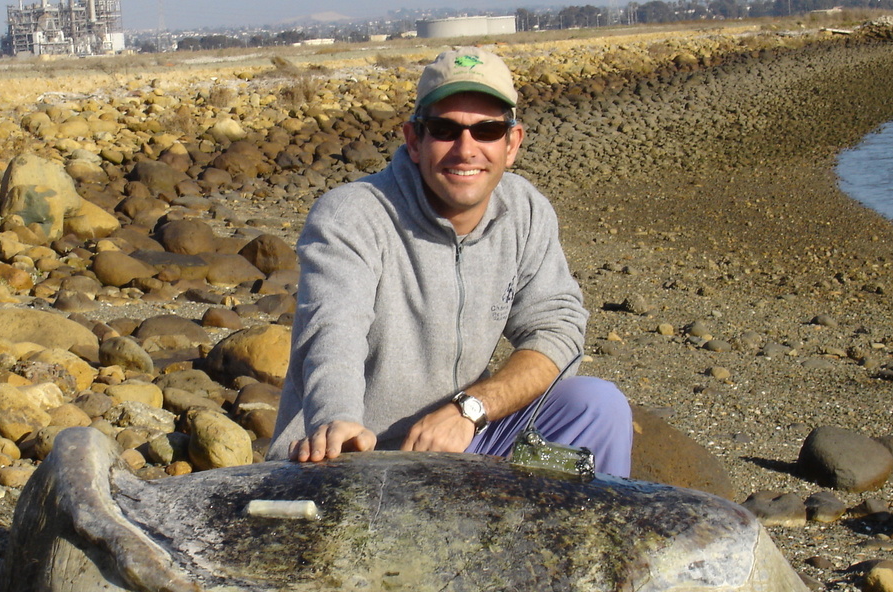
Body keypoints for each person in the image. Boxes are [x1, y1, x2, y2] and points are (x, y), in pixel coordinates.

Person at [268, 46, 632, 474]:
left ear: (512, 143)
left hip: (463, 437)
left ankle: (575, 537)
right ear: (414, 140)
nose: (466, 149)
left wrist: (471, 409)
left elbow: (558, 328)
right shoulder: (350, 216)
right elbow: (332, 332)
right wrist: (337, 419)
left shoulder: (526, 211)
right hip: (356, 453)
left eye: (487, 131)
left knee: (597, 405)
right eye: (444, 129)